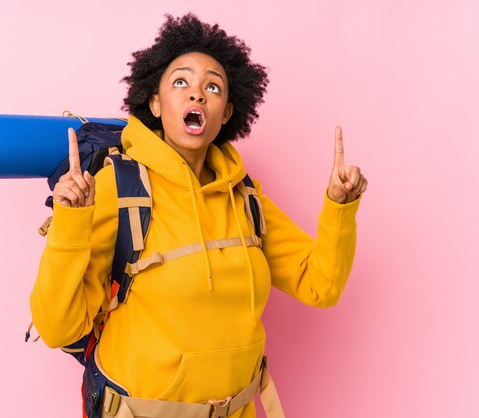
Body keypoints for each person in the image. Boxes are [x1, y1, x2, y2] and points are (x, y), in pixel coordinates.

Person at [30, 13, 367, 418]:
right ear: (154, 102)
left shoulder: (245, 198)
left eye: (212, 86)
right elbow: (57, 328)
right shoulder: (115, 188)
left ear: (226, 112)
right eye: (180, 82)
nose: (197, 95)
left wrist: (339, 207)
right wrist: (69, 224)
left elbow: (321, 284)